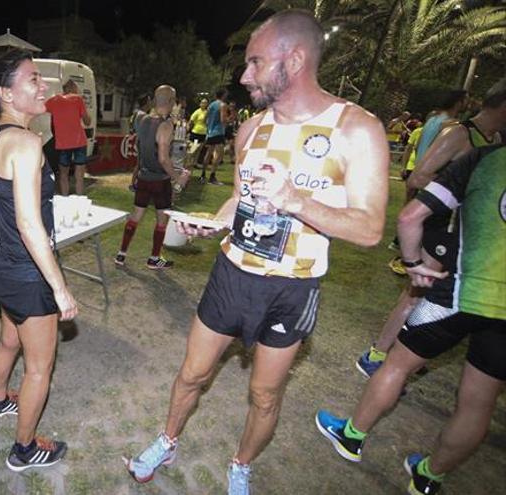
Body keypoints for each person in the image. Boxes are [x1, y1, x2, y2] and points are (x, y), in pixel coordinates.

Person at [123, 11, 389, 494]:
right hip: (233, 275)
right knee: (192, 374)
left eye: (255, 63)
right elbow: (240, 197)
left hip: (292, 286)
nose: (244, 76)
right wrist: (215, 223)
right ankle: (167, 439)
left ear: (296, 59)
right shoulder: (251, 132)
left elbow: (370, 228)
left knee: (264, 395)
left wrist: (295, 199)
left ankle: (241, 464)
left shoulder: (355, 129)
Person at [316, 144, 505, 495]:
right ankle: (429, 476)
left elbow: (410, 216)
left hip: (461, 292)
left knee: (397, 366)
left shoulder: (486, 158)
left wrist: (413, 262)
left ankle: (352, 436)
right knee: (480, 401)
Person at [0, 50, 78, 472]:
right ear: (6, 94)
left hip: (1, 266)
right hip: (28, 273)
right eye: (33, 79)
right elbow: (31, 227)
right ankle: (24, 448)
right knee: (38, 369)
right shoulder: (27, 143)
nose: (43, 86)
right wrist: (59, 287)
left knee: (10, 340)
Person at [356, 79, 505, 377]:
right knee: (416, 294)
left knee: (444, 297)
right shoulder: (459, 134)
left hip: (468, 236)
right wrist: (459, 195)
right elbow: (418, 177)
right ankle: (377, 355)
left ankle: (408, 353)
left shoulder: (496, 139)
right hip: (441, 230)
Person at [113, 85, 183, 270]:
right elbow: (163, 159)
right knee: (162, 219)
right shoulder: (166, 125)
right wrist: (178, 177)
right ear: (171, 101)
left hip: (143, 177)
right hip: (160, 180)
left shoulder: (142, 119)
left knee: (136, 215)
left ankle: (121, 254)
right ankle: (154, 258)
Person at [45, 80, 91, 195]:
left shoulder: (54, 100)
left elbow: (40, 109)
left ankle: (65, 199)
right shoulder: (78, 99)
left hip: (63, 143)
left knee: (63, 174)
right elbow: (87, 121)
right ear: (72, 88)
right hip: (79, 142)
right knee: (79, 175)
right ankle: (79, 200)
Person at [199, 88, 231, 185]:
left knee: (208, 153)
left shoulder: (211, 105)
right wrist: (230, 119)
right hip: (218, 132)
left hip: (210, 133)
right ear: (223, 95)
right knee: (218, 154)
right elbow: (223, 120)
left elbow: (205, 119)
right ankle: (212, 177)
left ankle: (203, 175)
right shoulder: (223, 105)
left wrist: (210, 127)